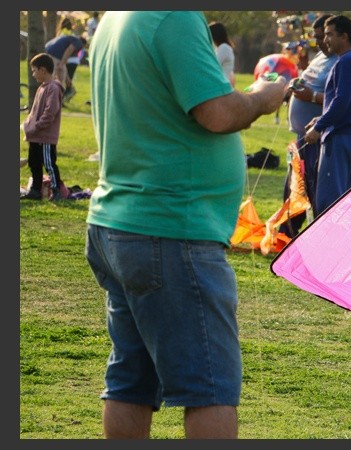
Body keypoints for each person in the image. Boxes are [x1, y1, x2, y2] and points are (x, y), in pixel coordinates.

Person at [86, 11, 287, 439]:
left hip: (122, 222)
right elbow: (216, 112)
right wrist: (262, 97)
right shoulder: (173, 14)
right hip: (171, 229)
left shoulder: (117, 16)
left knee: (131, 381)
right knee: (209, 388)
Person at [303, 15, 351, 216]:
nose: (325, 40)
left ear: (345, 36)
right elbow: (346, 103)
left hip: (339, 137)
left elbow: (341, 101)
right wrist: (322, 117)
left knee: (328, 201)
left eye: (330, 35)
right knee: (344, 197)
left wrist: (319, 127)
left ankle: (325, 246)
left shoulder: (346, 62)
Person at [279, 14, 337, 238]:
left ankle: (309, 234)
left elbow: (341, 100)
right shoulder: (321, 57)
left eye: (324, 37)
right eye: (317, 38)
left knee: (309, 185)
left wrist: (310, 96)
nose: (321, 42)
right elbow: (310, 82)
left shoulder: (342, 60)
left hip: (317, 135)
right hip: (301, 135)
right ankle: (287, 230)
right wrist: (297, 84)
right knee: (294, 184)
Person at [20, 53, 64, 201]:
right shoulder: (42, 88)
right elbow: (34, 112)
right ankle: (35, 190)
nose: (33, 74)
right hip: (35, 135)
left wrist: (35, 127)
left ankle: (56, 190)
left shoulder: (53, 88)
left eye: (34, 70)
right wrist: (27, 124)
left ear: (43, 70)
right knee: (34, 163)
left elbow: (49, 113)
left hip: (44, 136)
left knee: (49, 163)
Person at [45, 32, 85, 104]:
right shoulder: (78, 42)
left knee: (62, 75)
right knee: (56, 78)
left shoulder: (70, 38)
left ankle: (58, 100)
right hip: (55, 55)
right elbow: (70, 49)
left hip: (50, 52)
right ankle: (55, 101)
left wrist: (68, 79)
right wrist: (62, 63)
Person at [209, 21, 236, 88]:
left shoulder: (224, 48)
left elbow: (214, 64)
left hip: (222, 84)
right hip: (220, 82)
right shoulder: (220, 48)